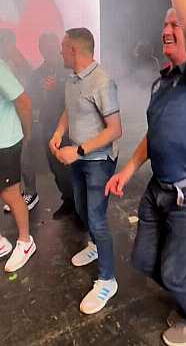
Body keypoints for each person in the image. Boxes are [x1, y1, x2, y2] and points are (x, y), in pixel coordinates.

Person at [105, 0, 186, 345]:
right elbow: (155, 136)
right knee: (143, 261)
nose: (168, 30)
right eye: (164, 25)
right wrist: (128, 170)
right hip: (159, 189)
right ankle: (184, 283)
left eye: (175, 24)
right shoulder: (164, 83)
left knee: (171, 273)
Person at [50, 28, 122, 314]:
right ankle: (94, 245)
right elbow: (71, 109)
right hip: (79, 159)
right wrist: (59, 132)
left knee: (96, 216)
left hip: (99, 162)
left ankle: (107, 279)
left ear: (74, 51)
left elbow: (116, 130)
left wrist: (78, 150)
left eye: (62, 47)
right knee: (81, 208)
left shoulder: (102, 82)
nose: (60, 52)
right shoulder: (73, 79)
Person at [6, 33, 75, 219]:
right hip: (48, 125)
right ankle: (68, 200)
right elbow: (30, 99)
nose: (48, 49)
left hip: (71, 126)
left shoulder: (69, 67)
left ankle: (80, 206)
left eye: (51, 45)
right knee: (56, 167)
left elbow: (77, 94)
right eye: (43, 46)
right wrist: (43, 92)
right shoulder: (37, 74)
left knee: (73, 168)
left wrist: (58, 87)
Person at [0, 57, 35, 272]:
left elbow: (25, 102)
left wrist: (27, 134)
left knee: (10, 194)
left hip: (5, 142)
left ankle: (25, 241)